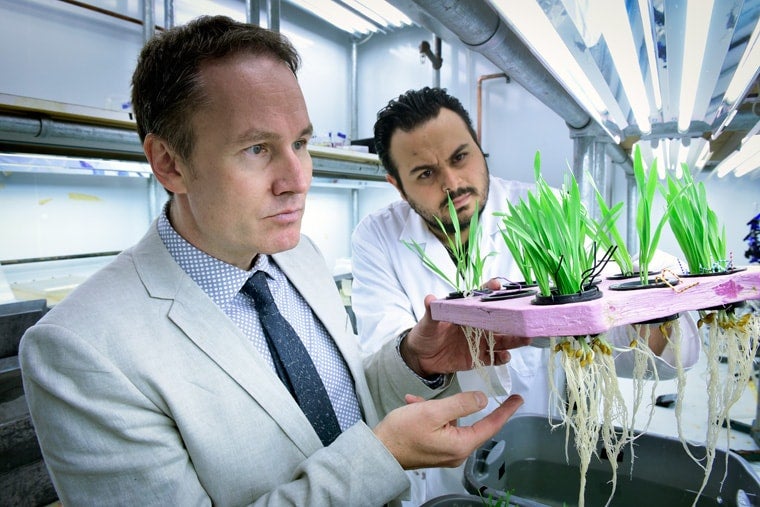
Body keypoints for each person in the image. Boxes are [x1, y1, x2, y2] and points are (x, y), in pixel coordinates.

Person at [19, 19, 525, 506]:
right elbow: (367, 447)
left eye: (300, 143)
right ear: (170, 164)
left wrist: (415, 360)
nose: (297, 178)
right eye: (257, 148)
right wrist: (381, 457)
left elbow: (348, 402)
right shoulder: (80, 350)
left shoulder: (298, 256)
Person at [350, 86, 701, 504]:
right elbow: (383, 359)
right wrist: (419, 354)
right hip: (437, 470)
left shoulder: (543, 207)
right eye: (425, 173)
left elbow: (620, 331)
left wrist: (651, 310)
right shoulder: (377, 236)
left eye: (461, 157)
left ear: (480, 149)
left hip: (539, 448)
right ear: (396, 183)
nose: (452, 183)